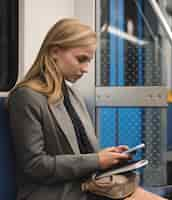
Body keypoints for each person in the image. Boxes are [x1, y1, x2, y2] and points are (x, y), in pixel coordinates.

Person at [7, 18, 132, 200]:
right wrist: (96, 160)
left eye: (89, 61)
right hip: (54, 193)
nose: (85, 69)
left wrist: (108, 157)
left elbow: (81, 153)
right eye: (81, 59)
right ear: (55, 52)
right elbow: (34, 165)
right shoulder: (26, 96)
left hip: (86, 187)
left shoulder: (73, 95)